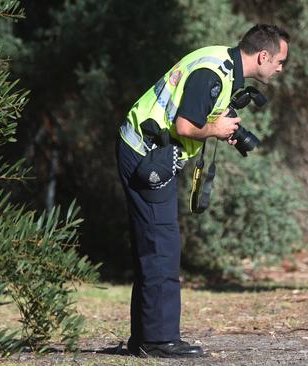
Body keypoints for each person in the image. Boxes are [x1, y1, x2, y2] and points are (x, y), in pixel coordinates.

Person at [116, 24, 289, 358]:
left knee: (156, 242)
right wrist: (215, 129)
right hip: (146, 153)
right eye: (280, 61)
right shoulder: (213, 73)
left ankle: (146, 337)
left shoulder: (223, 64)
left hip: (149, 150)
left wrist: (224, 127)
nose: (281, 68)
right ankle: (158, 341)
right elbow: (184, 126)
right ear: (264, 56)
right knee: (161, 244)